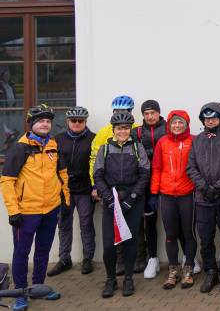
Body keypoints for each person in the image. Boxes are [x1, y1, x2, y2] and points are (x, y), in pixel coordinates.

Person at [1, 105, 67, 311]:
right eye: (40, 121)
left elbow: (62, 174)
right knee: (22, 252)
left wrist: (65, 201)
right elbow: (7, 181)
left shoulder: (53, 145)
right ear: (31, 124)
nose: (45, 124)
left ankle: (38, 287)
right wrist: (13, 211)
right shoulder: (20, 148)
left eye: (48, 121)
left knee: (43, 250)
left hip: (50, 209)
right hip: (26, 212)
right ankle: (20, 293)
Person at [93, 110, 150, 298]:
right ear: (113, 130)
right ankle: (110, 279)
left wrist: (132, 198)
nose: (122, 131)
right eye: (119, 128)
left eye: (126, 128)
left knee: (130, 242)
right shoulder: (105, 149)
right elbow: (98, 175)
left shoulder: (138, 148)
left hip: (133, 200)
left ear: (130, 129)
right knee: (109, 244)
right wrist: (108, 197)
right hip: (112, 199)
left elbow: (144, 175)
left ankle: (128, 279)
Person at [186, 102, 220, 294]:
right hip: (204, 199)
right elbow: (191, 167)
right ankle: (211, 271)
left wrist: (218, 187)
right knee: (206, 238)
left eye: (214, 118)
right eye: (206, 118)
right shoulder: (197, 140)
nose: (210, 121)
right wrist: (204, 188)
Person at [150, 110, 196, 290]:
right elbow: (156, 168)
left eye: (180, 122)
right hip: (167, 195)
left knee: (188, 233)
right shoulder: (162, 142)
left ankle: (189, 269)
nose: (177, 126)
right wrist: (154, 193)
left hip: (187, 194)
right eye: (174, 123)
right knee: (170, 235)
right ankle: (173, 270)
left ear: (186, 124)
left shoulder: (194, 141)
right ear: (169, 125)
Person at [48, 106, 96, 277]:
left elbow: (97, 164)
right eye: (73, 120)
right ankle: (64, 259)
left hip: (85, 189)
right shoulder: (57, 139)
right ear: (68, 122)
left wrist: (96, 187)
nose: (77, 123)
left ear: (85, 121)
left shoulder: (93, 139)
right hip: (64, 189)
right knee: (64, 224)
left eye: (80, 121)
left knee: (86, 224)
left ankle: (88, 258)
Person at [133, 99, 167, 278]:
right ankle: (152, 258)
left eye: (153, 112)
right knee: (149, 222)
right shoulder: (137, 132)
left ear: (159, 113)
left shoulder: (170, 127)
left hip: (167, 180)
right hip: (146, 182)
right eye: (146, 114)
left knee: (175, 221)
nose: (150, 116)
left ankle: (186, 257)